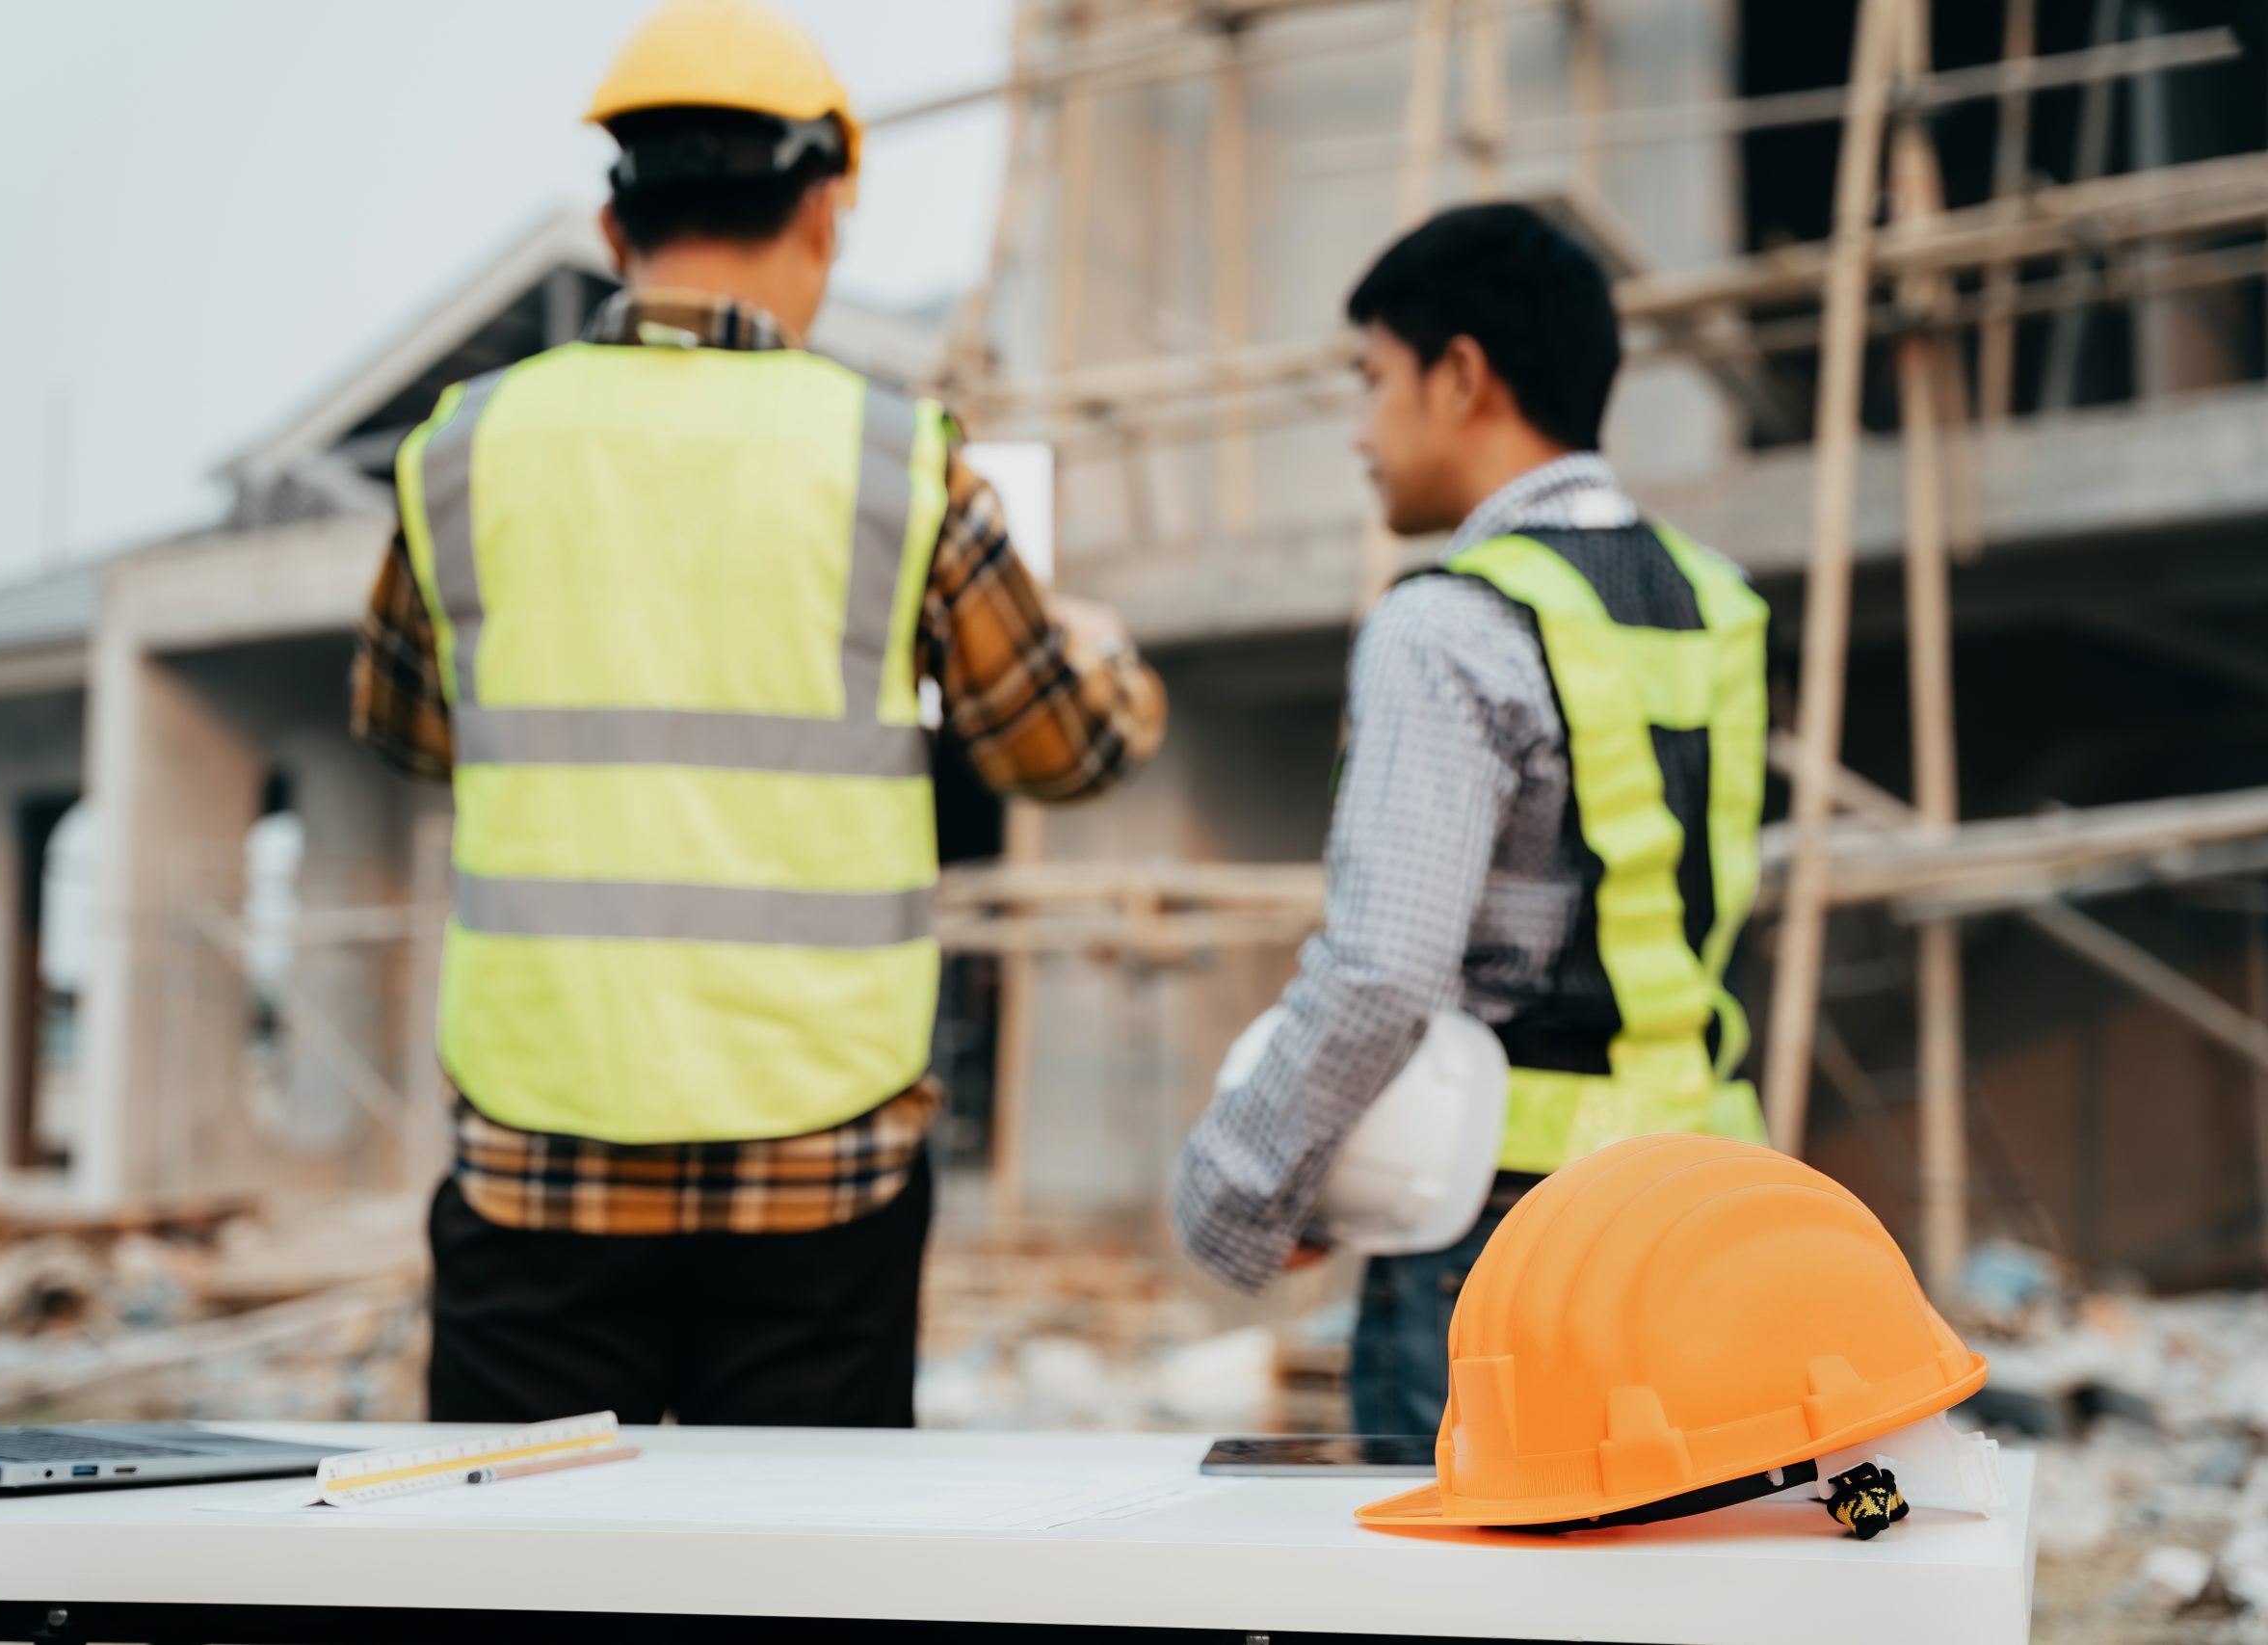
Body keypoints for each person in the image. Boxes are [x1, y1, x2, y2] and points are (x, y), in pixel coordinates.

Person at [352, 0, 1163, 1429]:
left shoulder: (464, 452)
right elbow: (1061, 749)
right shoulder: (896, 463)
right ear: (826, 210)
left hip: (540, 1155)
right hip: (819, 1166)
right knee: (792, 1582)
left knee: (508, 1591)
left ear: (616, 225)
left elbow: (411, 730)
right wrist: (1104, 652)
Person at [1171, 202, 1768, 1437]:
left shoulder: (1445, 624)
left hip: (1496, 1240)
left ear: (1460, 377)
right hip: (1703, 1207)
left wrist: (1239, 1191)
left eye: (1371, 378)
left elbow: (1382, 971)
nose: (1357, 431)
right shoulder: (1715, 602)